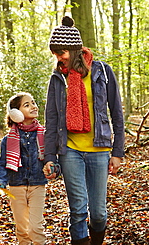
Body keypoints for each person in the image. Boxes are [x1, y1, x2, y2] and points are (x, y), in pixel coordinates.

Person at [43, 16, 125, 245]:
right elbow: (51, 120)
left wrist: (117, 152)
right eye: (56, 53)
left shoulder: (103, 72)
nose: (59, 58)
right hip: (70, 150)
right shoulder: (58, 78)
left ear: (74, 49)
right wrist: (50, 157)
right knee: (78, 210)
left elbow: (117, 114)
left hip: (99, 150)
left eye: (62, 52)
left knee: (99, 214)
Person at [0, 92, 47, 245]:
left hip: (37, 184)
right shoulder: (8, 139)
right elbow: (3, 163)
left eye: (33, 102)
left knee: (35, 226)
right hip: (16, 186)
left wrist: (54, 169)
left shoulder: (43, 134)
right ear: (15, 113)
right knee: (22, 229)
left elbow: (51, 158)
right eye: (27, 105)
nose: (33, 106)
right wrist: (1, 182)